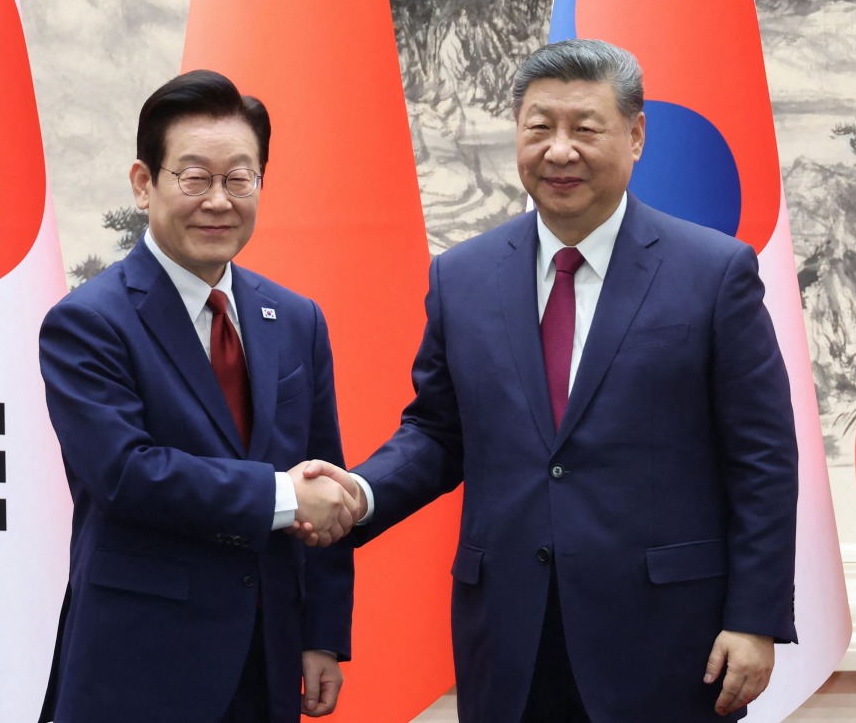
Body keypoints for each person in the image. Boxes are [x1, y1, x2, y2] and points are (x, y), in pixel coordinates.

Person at [307, 38, 799, 722]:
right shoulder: (464, 277)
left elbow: (763, 459)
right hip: (510, 636)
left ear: (635, 135)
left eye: (584, 128)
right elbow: (437, 432)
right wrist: (359, 492)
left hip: (667, 638)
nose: (559, 150)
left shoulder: (713, 274)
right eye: (539, 127)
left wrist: (755, 618)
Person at [38, 70, 356, 723]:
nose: (219, 200)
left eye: (239, 178)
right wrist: (283, 495)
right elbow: (127, 474)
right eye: (194, 177)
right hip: (139, 666)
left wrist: (322, 633)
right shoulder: (88, 321)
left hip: (267, 662)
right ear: (143, 183)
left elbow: (324, 470)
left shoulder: (297, 320)